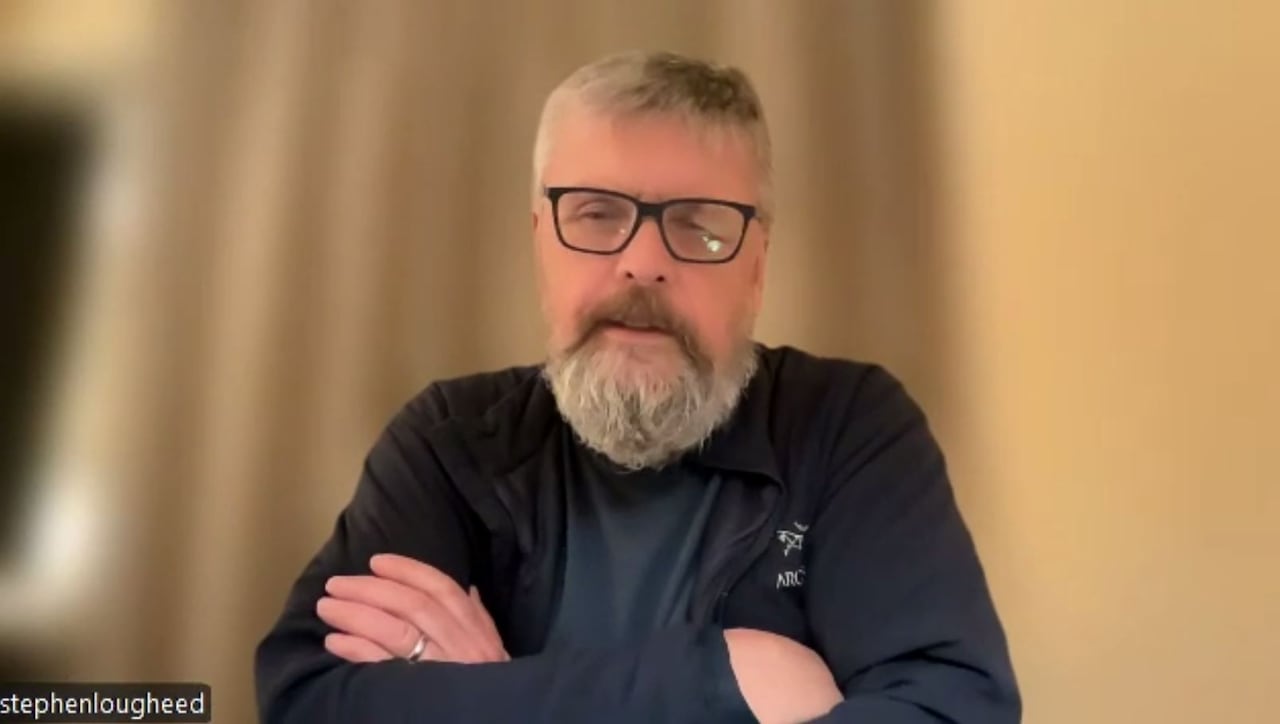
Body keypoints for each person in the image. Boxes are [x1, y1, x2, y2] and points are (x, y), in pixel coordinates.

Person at [255, 50, 1020, 724]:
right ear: (540, 244)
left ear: (755, 268)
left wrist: (492, 698)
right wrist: (728, 679)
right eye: (595, 214)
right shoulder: (449, 440)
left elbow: (950, 705)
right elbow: (310, 699)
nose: (644, 262)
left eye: (699, 226)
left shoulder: (848, 426)